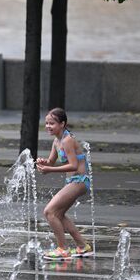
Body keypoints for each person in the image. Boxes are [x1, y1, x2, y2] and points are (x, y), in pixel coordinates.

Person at [36, 108, 93, 260]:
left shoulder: (68, 140)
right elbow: (50, 161)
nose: (48, 126)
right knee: (59, 214)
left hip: (79, 181)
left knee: (49, 211)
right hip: (73, 182)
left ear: (62, 124)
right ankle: (83, 246)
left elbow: (74, 165)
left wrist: (50, 169)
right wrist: (43, 163)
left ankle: (63, 249)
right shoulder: (56, 141)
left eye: (52, 123)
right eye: (47, 123)